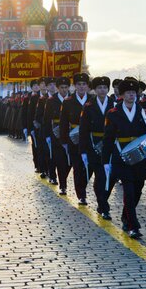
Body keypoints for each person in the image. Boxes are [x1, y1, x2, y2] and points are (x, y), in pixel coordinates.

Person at [103, 79, 146, 239]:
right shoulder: (113, 113)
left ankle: (126, 217)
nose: (131, 95)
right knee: (129, 191)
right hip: (122, 157)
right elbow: (108, 139)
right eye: (128, 93)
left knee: (138, 189)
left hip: (140, 157)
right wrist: (106, 161)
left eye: (134, 93)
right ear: (122, 95)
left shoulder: (144, 113)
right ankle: (133, 226)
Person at [80, 76, 116, 219]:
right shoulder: (88, 106)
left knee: (110, 177)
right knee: (100, 177)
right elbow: (83, 130)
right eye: (99, 87)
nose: (102, 90)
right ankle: (103, 206)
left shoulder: (114, 104)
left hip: (110, 145)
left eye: (105, 87)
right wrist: (83, 150)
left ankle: (103, 200)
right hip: (93, 145)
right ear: (95, 90)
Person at [60, 73, 92, 205]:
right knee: (78, 167)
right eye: (79, 84)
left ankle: (83, 186)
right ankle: (81, 194)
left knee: (89, 168)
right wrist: (64, 141)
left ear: (88, 86)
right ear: (75, 86)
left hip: (90, 138)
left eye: (84, 84)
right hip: (74, 138)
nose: (81, 87)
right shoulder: (68, 102)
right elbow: (63, 123)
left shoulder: (93, 100)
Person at [48, 77, 71, 195]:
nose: (64, 90)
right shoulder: (52, 100)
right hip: (56, 132)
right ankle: (63, 185)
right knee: (60, 159)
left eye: (66, 87)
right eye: (61, 88)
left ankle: (64, 177)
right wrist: (48, 134)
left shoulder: (72, 99)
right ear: (58, 88)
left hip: (70, 133)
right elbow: (47, 119)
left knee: (69, 162)